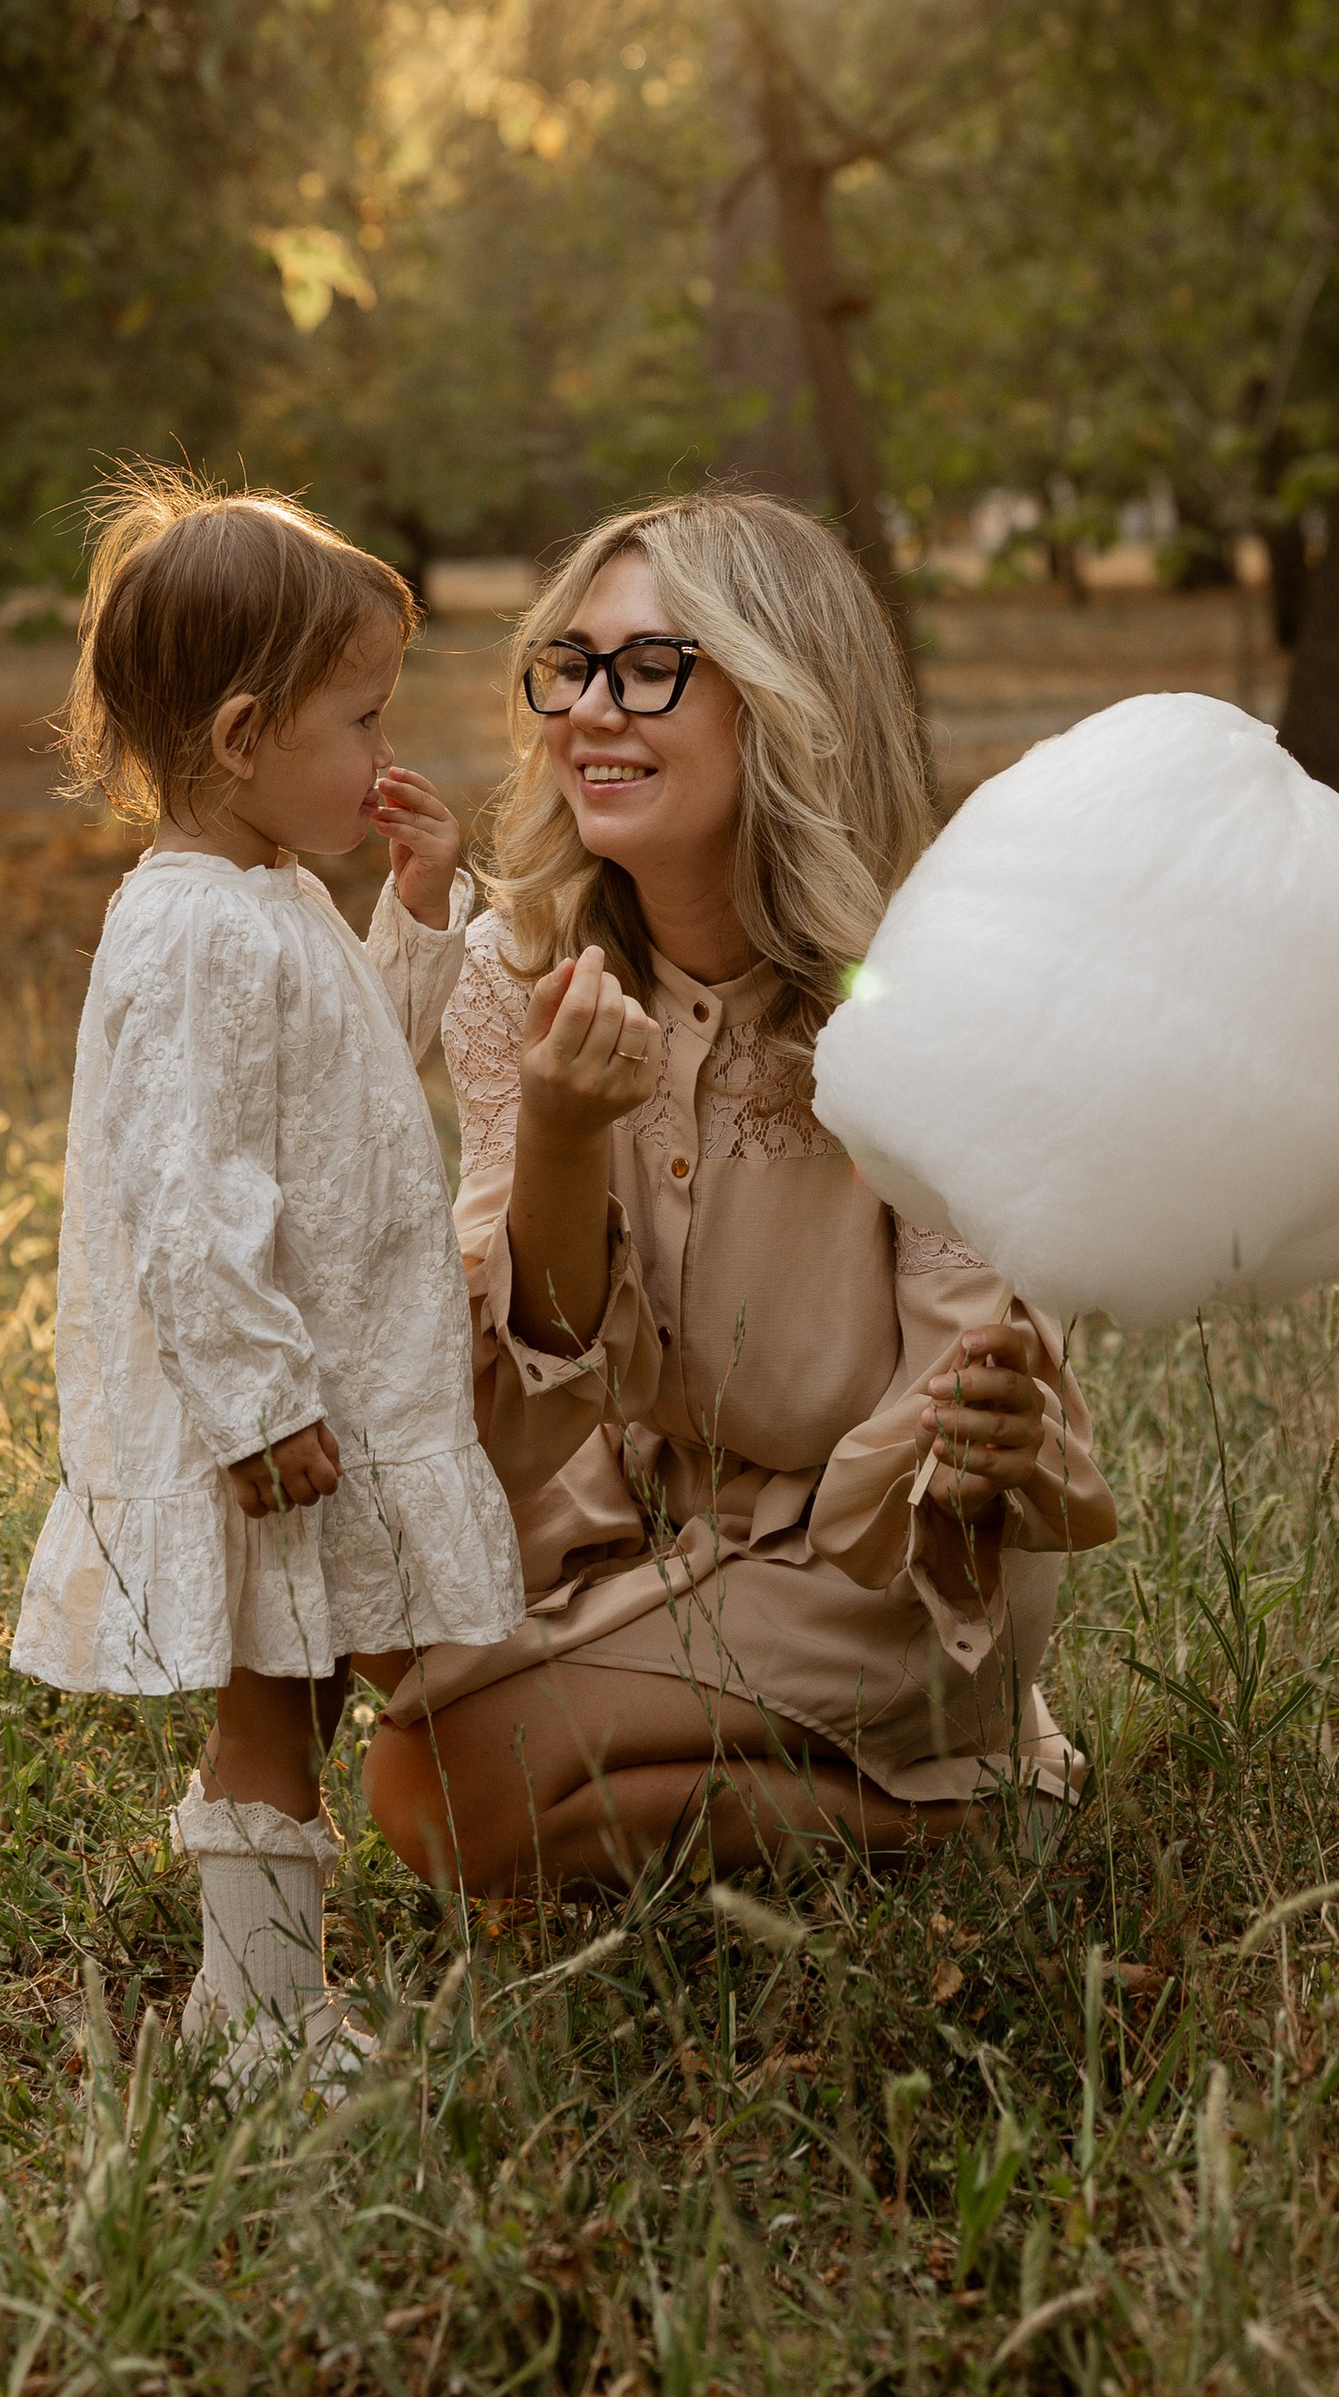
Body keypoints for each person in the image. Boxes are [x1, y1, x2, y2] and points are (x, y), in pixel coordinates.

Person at [363, 491, 1118, 1899]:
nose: (591, 710)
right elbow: (513, 1408)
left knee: (430, 1789)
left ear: (782, 699)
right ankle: (829, 1799)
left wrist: (994, 1412)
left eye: (653, 668)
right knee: (366, 1605)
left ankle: (976, 1810)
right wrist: (562, 1136)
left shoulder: (935, 1003)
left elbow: (967, 1379)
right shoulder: (513, 973)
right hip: (635, 1508)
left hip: (873, 1563)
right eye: (568, 666)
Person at [10, 469, 522, 2086]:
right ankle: (257, 2012)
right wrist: (254, 1403)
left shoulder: (275, 900)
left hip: (325, 1377)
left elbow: (348, 1072)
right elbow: (182, 1189)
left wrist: (418, 915)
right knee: (274, 1696)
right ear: (244, 739)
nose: (386, 753)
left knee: (295, 1693)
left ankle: (264, 2004)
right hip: (278, 1407)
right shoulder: (186, 933)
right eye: (362, 719)